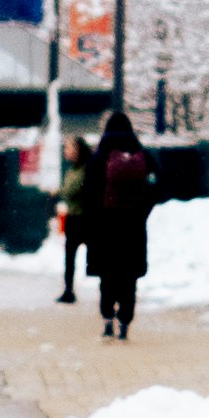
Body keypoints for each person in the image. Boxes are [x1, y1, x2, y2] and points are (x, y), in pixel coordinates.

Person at [77, 109, 156, 347]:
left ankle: (107, 320)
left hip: (105, 228)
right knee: (129, 277)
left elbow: (88, 193)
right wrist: (140, 213)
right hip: (132, 228)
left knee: (108, 276)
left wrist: (93, 220)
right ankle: (125, 323)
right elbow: (156, 188)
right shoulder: (143, 155)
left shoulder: (99, 157)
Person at [55, 134, 92, 304]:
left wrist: (62, 191)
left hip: (85, 217)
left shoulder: (86, 169)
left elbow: (70, 190)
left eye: (68, 148)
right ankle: (68, 289)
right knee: (69, 257)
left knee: (94, 256)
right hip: (73, 217)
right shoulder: (71, 170)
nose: (66, 151)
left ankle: (107, 290)